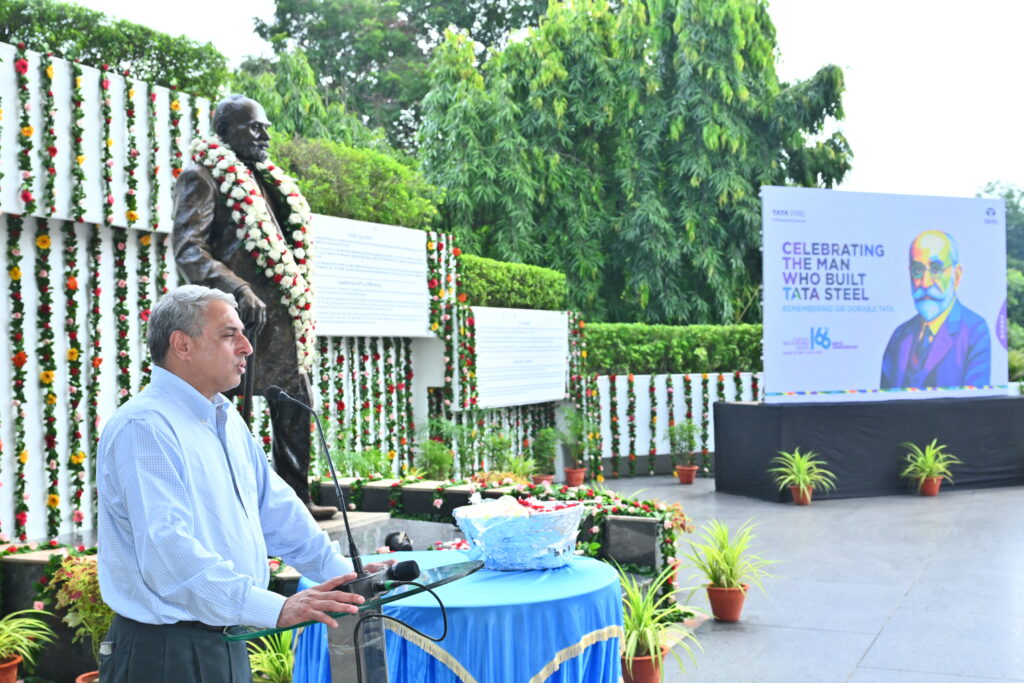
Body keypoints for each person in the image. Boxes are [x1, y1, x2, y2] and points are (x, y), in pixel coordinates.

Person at [96, 286, 393, 682]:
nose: (247, 347)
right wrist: (275, 608)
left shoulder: (225, 417)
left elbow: (276, 512)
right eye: (228, 334)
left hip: (226, 637)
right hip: (167, 651)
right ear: (182, 345)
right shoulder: (145, 427)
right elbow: (169, 555)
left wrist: (345, 576)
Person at [172, 94, 335, 518]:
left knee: (296, 405)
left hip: (281, 323)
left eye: (265, 127)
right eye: (254, 127)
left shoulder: (267, 181)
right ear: (225, 132)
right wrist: (237, 288)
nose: (264, 135)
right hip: (236, 319)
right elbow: (189, 249)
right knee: (227, 415)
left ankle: (296, 502)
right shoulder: (202, 177)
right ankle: (230, 507)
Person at [880, 230, 991, 389]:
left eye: (936, 269)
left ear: (956, 276)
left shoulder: (975, 330)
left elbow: (975, 400)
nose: (925, 283)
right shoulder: (900, 335)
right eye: (917, 270)